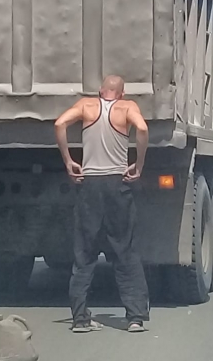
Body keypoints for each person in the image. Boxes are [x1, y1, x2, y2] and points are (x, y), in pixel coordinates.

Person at [54, 75, 150, 333]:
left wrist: (68, 161)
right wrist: (139, 164)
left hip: (90, 184)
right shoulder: (127, 107)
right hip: (118, 183)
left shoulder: (86, 105)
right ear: (122, 93)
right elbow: (142, 129)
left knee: (84, 253)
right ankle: (135, 318)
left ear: (100, 91)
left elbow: (60, 123)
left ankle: (80, 319)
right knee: (125, 250)